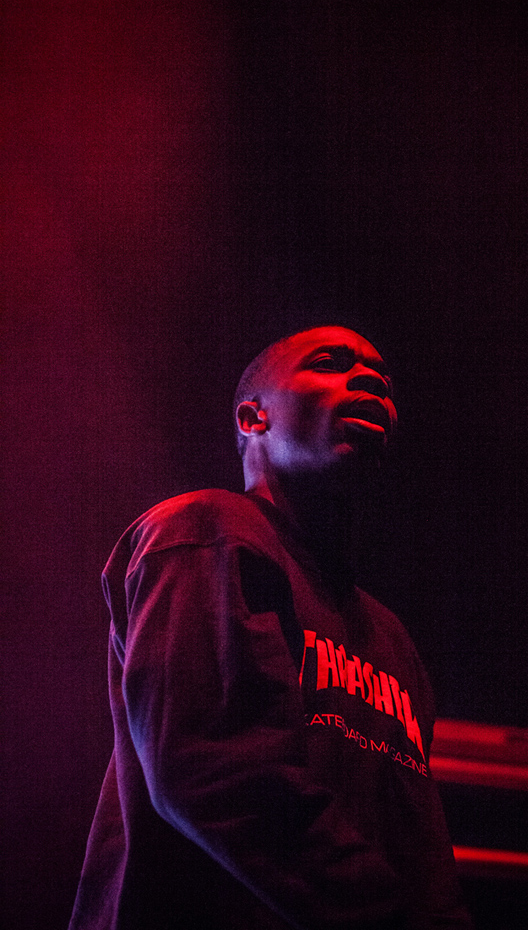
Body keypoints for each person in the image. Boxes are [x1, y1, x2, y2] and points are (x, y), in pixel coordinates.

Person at [69, 326, 472, 930]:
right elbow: (217, 769)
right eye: (331, 363)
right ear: (254, 417)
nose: (372, 381)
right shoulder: (208, 530)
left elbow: (418, 840)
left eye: (383, 380)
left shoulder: (390, 638)